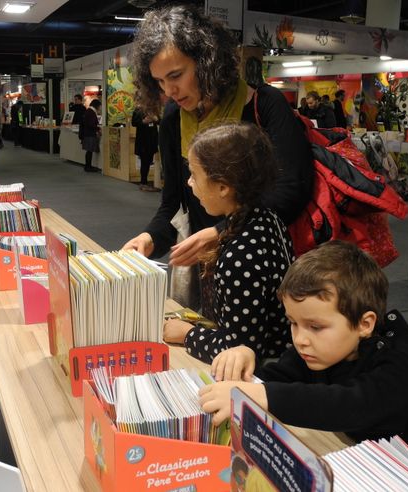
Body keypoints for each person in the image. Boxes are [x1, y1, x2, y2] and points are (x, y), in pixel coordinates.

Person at [122, 5, 313, 312]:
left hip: (261, 266)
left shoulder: (263, 106)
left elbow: (291, 192)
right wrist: (149, 238)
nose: (169, 90)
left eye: (176, 75)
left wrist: (221, 232)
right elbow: (174, 204)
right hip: (209, 272)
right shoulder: (173, 117)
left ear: (206, 60)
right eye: (159, 81)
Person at [199, 240, 408, 470]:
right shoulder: (316, 349)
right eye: (293, 323)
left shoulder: (402, 359)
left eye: (315, 327)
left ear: (364, 324)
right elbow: (278, 377)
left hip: (402, 471)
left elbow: (354, 405)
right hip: (347, 452)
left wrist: (262, 394)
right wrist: (245, 358)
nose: (300, 339)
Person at [163, 122, 293, 363]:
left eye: (194, 175)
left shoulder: (240, 256)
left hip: (263, 372)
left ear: (223, 187)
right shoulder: (267, 219)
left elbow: (239, 350)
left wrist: (188, 334)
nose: (189, 183)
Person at [131, 107, 159, 191]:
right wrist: (143, 121)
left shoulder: (154, 109)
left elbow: (160, 121)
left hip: (152, 139)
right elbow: (134, 123)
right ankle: (143, 182)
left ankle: (144, 182)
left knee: (148, 161)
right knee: (144, 162)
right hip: (143, 140)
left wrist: (155, 119)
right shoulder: (138, 110)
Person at [82, 99, 102, 172]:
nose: (100, 108)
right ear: (96, 105)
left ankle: (88, 166)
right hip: (90, 134)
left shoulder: (88, 111)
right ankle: (88, 166)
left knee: (89, 151)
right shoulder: (91, 112)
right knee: (89, 150)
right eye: (100, 106)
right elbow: (91, 124)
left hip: (88, 133)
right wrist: (98, 128)